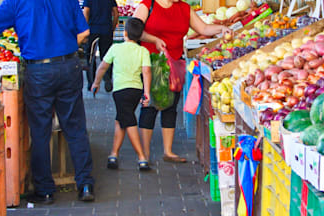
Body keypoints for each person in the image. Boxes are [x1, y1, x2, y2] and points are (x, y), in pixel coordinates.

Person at [0, 0, 96, 203]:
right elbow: (84, 33)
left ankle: (45, 190)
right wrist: (63, 48)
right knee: (75, 127)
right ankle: (85, 185)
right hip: (69, 66)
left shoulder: (17, 1)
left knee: (40, 131)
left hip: (38, 70)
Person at [133, 0, 231, 163]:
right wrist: (154, 40)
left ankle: (168, 151)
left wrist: (222, 28)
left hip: (175, 64)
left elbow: (203, 28)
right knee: (150, 107)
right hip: (152, 63)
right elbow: (135, 30)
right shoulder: (148, 4)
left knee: (171, 107)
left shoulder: (184, 8)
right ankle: (144, 154)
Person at [91, 18, 152, 171]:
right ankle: (114, 154)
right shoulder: (143, 51)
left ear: (124, 33)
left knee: (128, 120)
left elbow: (103, 67)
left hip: (120, 91)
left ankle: (142, 157)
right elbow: (146, 72)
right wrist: (146, 92)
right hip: (136, 91)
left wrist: (96, 83)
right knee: (121, 119)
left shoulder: (115, 48)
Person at [83, 0, 118, 92]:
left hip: (92, 30)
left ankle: (91, 82)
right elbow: (116, 14)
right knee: (107, 56)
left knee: (90, 57)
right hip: (106, 30)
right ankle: (107, 79)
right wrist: (112, 28)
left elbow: (86, 12)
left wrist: (85, 29)